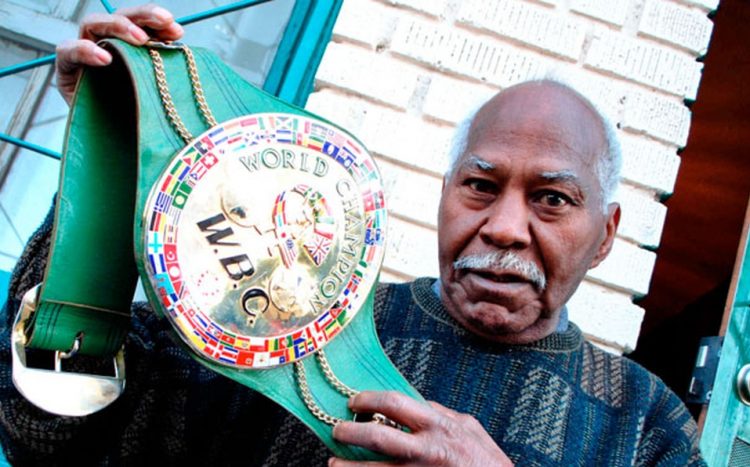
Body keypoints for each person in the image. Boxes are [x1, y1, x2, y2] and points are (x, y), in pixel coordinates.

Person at [0, 4, 704, 466]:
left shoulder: (646, 426)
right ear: (445, 193)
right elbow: (55, 428)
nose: (504, 227)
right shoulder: (291, 326)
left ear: (606, 233)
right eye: (481, 186)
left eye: (551, 199)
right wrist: (109, 160)